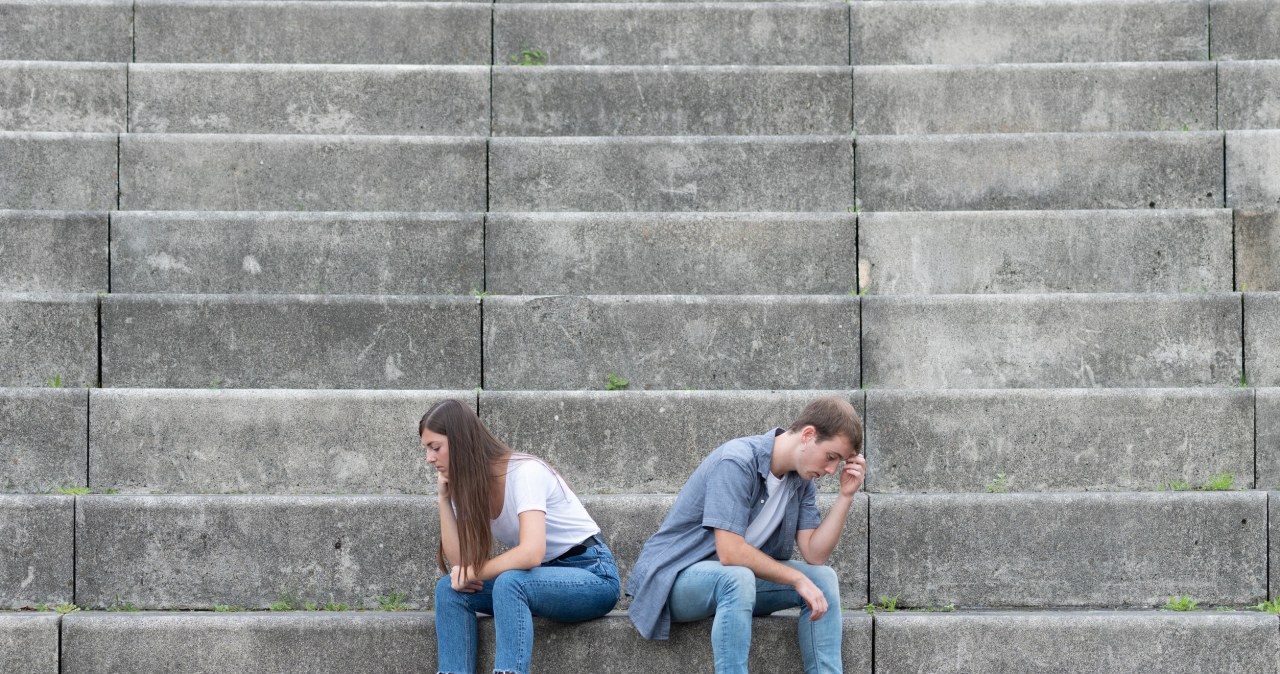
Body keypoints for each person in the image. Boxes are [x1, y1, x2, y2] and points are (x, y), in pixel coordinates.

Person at [626, 396, 866, 674]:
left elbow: (815, 554)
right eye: (831, 457)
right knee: (737, 577)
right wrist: (796, 578)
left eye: (839, 462)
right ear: (808, 435)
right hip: (674, 579)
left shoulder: (801, 480)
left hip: (735, 584)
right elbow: (730, 552)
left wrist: (846, 495)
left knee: (823, 579)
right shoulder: (737, 461)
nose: (831, 470)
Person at [422, 399, 620, 674]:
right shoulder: (466, 487)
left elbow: (531, 552)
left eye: (435, 448)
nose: (429, 458)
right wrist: (444, 500)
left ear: (461, 442)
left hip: (591, 574)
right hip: (535, 580)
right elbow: (461, 567)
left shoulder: (525, 472)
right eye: (427, 449)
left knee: (510, 582)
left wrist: (474, 571)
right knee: (449, 589)